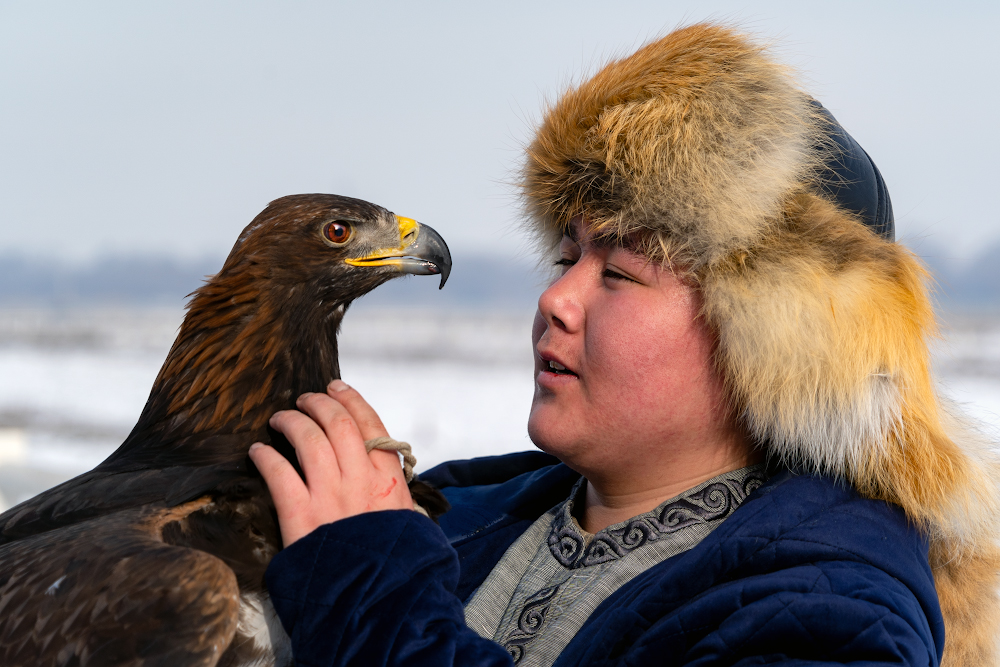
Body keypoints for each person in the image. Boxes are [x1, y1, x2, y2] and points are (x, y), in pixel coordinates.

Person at [248, 23, 1000, 666]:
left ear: (773, 339)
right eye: (565, 258)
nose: (556, 299)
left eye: (621, 272)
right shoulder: (456, 508)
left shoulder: (832, 604)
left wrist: (370, 596)